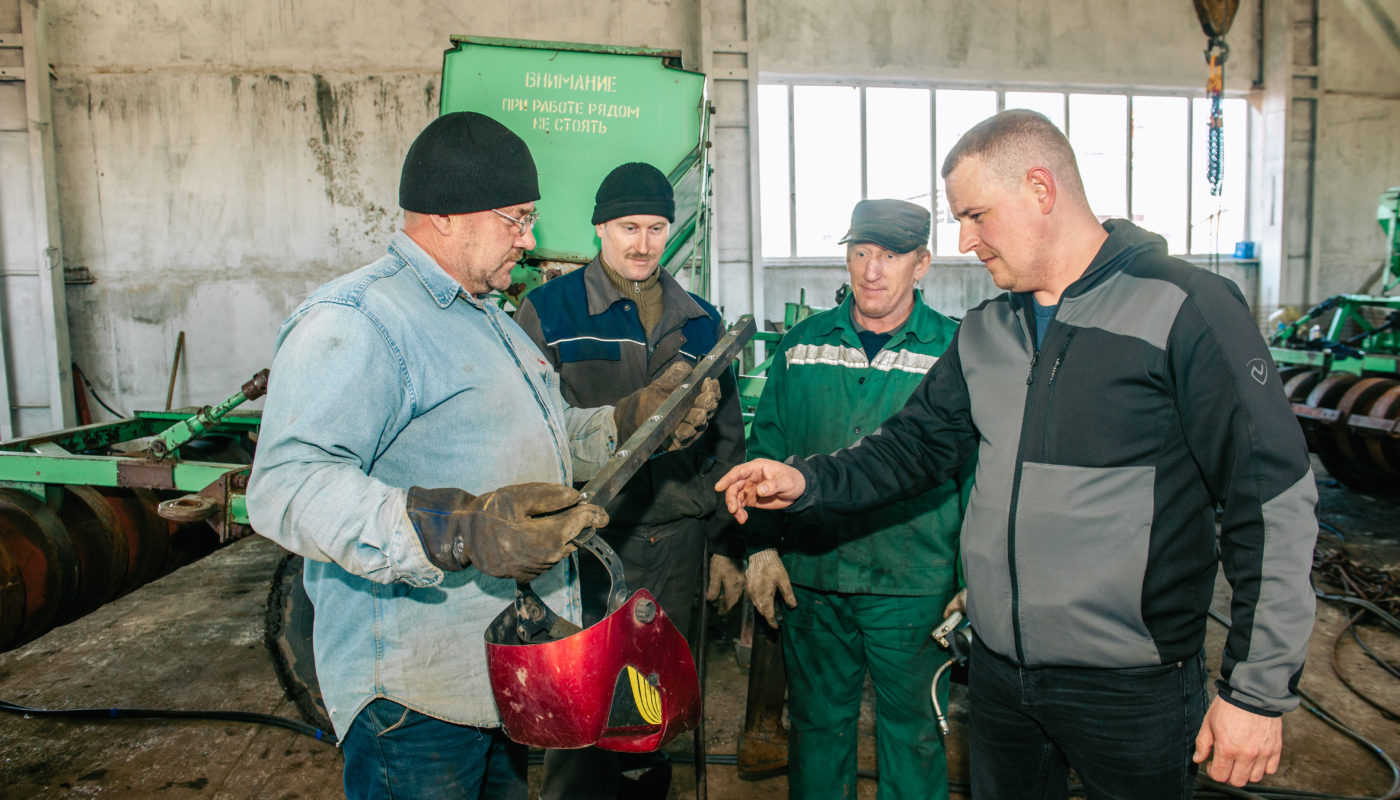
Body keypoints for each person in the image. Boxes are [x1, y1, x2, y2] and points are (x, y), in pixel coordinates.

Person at [716, 109, 1319, 799]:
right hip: (1000, 678)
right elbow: (911, 449)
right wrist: (805, 481)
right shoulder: (986, 331)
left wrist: (1257, 690)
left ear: (1040, 188)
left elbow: (1270, 501)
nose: (967, 241)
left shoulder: (1184, 308)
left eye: (975, 215)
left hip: (1131, 687)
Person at [247, 113, 716, 800]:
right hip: (413, 700)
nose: (529, 241)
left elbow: (548, 434)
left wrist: (628, 421)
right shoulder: (361, 319)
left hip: (497, 675)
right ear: (444, 215)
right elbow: (287, 486)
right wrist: (460, 528)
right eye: (516, 219)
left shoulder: (486, 316)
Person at [512, 161, 747, 800]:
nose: (643, 243)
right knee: (582, 721)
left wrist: (724, 545)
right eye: (627, 227)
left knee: (653, 716)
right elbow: (527, 436)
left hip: (673, 548)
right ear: (598, 228)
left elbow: (729, 443)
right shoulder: (548, 313)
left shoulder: (702, 321)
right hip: (585, 552)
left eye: (656, 227)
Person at [742, 198, 971, 800]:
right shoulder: (800, 347)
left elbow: (978, 476)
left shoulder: (956, 353)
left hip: (915, 585)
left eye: (891, 255)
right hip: (813, 579)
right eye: (861, 252)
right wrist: (762, 549)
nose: (872, 269)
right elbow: (763, 454)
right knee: (817, 730)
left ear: (921, 264)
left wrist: (972, 576)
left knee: (915, 734)